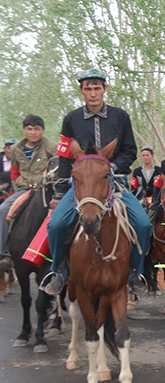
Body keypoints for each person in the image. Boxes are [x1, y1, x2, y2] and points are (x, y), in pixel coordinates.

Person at [38, 69, 153, 296]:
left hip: (115, 183)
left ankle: (135, 272)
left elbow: (130, 152)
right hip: (81, 186)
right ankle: (58, 271)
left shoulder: (121, 117)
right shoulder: (71, 119)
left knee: (144, 224)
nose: (93, 93)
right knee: (56, 225)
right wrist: (60, 191)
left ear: (105, 89)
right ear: (82, 91)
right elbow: (64, 156)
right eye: (88, 89)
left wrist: (111, 167)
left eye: (97, 88)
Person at [0, 116, 58, 270]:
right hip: (25, 190)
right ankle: (5, 253)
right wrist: (24, 184)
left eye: (37, 129)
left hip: (46, 190)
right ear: (24, 130)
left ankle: (65, 254)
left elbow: (58, 169)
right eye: (29, 129)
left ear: (42, 130)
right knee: (4, 209)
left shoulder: (52, 147)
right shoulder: (15, 149)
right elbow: (14, 173)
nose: (33, 133)